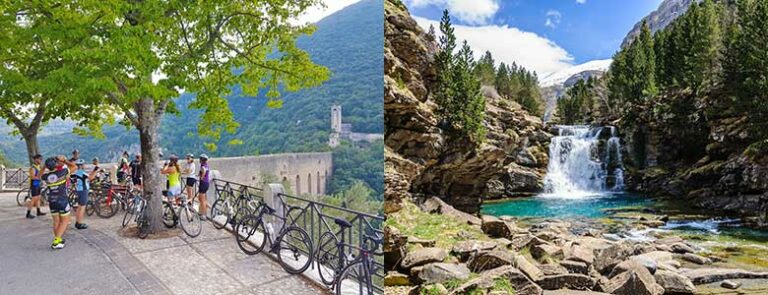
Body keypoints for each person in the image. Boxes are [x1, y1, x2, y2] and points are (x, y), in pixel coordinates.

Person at [44, 155, 76, 249]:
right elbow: (74, 167)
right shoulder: (62, 172)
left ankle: (58, 239)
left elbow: (38, 176)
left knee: (56, 221)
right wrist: (65, 160)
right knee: (65, 221)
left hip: (52, 201)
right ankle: (56, 241)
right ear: (56, 164)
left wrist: (43, 167)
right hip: (62, 199)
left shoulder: (45, 176)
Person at [72, 159, 96, 229]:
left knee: (79, 207)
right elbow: (91, 178)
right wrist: (95, 170)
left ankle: (77, 222)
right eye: (84, 164)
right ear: (82, 165)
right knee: (82, 208)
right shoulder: (82, 173)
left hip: (78, 190)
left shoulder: (76, 172)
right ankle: (79, 223)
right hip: (83, 190)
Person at [26, 154, 47, 219]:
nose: (41, 160)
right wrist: (41, 178)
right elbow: (32, 177)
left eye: (41, 159)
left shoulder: (38, 167)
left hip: (38, 185)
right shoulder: (33, 168)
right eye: (40, 159)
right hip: (34, 185)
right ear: (36, 159)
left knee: (38, 198)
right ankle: (28, 213)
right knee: (34, 199)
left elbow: (39, 175)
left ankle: (38, 211)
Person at [196, 154, 211, 220]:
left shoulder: (203, 166)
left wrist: (201, 177)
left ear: (202, 160)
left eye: (200, 159)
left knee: (202, 200)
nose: (199, 160)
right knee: (201, 198)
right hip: (206, 183)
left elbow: (204, 171)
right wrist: (199, 175)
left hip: (203, 183)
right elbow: (202, 171)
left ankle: (204, 215)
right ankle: (202, 212)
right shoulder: (205, 165)